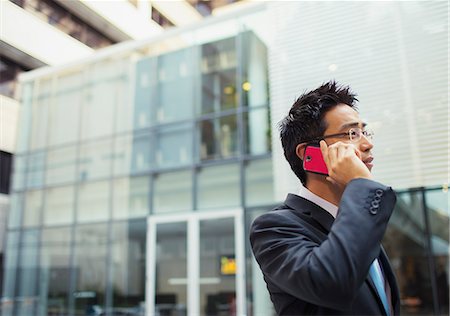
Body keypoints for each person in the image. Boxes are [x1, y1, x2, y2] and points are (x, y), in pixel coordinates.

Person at [250, 81, 400, 315]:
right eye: (352, 133)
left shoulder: (357, 221)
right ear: (310, 154)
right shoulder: (273, 228)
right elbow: (333, 283)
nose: (368, 144)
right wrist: (361, 186)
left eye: (365, 132)